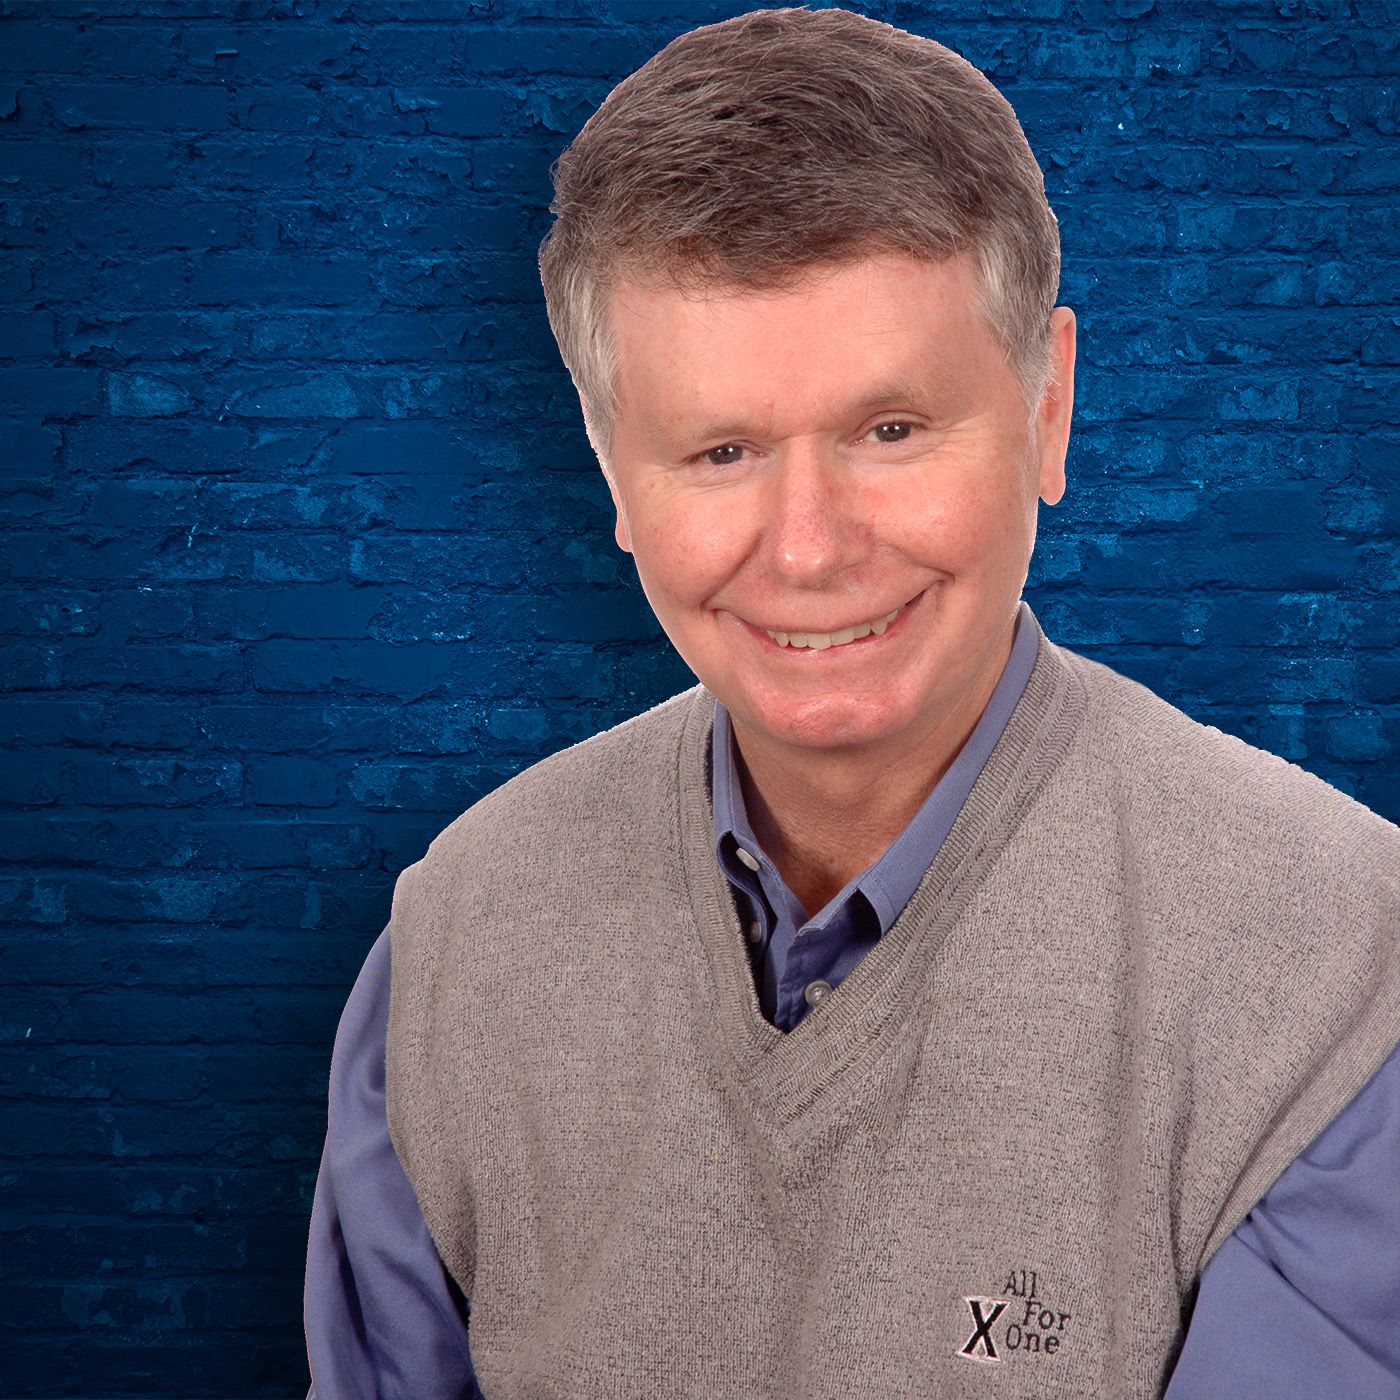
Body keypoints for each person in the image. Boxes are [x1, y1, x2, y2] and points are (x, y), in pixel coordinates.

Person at [303, 9, 1400, 1397]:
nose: (810, 548)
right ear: (612, 469)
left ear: (1049, 406)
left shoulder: (1337, 977)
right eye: (721, 450)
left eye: (891, 430)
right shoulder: (456, 948)